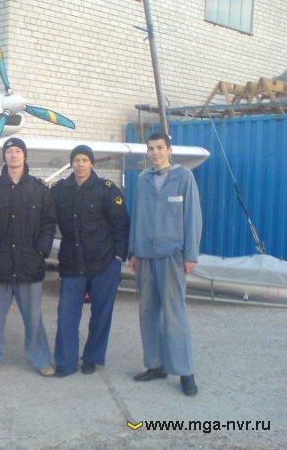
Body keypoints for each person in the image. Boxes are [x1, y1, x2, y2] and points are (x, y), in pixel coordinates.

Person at [129, 133, 202, 396]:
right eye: (151, 148)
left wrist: (190, 254)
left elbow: (192, 217)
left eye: (160, 147)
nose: (155, 152)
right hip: (145, 255)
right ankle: (155, 365)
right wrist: (133, 250)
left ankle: (185, 372)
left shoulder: (184, 177)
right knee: (147, 313)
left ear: (169, 149)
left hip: (172, 255)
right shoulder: (143, 180)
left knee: (174, 314)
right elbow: (136, 216)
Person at [0, 137, 57, 378]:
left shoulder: (39, 189)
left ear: (25, 156)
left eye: (17, 151)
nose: (13, 154)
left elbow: (49, 222)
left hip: (29, 264)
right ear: (4, 156)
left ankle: (40, 358)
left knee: (34, 318)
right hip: (0, 265)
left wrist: (41, 251)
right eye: (9, 151)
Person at [51, 145, 129, 377]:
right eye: (76, 160)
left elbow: (121, 224)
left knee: (101, 314)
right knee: (66, 316)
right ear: (71, 163)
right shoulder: (60, 190)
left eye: (85, 160)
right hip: (72, 263)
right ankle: (65, 363)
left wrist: (118, 258)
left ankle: (92, 358)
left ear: (92, 163)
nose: (80, 164)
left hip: (103, 262)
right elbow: (46, 218)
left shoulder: (107, 190)